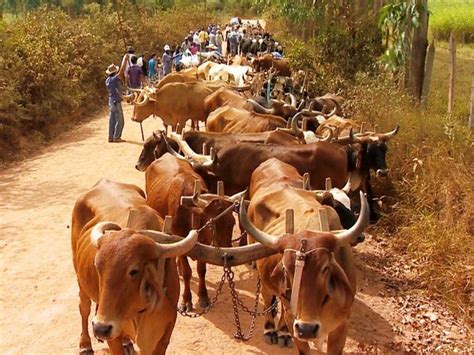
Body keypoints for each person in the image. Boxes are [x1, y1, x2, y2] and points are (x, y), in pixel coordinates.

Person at [105, 64, 125, 143]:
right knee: (120, 120)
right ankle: (117, 137)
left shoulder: (107, 80)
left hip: (111, 101)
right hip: (116, 101)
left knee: (112, 120)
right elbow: (122, 71)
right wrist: (125, 60)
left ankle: (111, 137)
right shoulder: (114, 79)